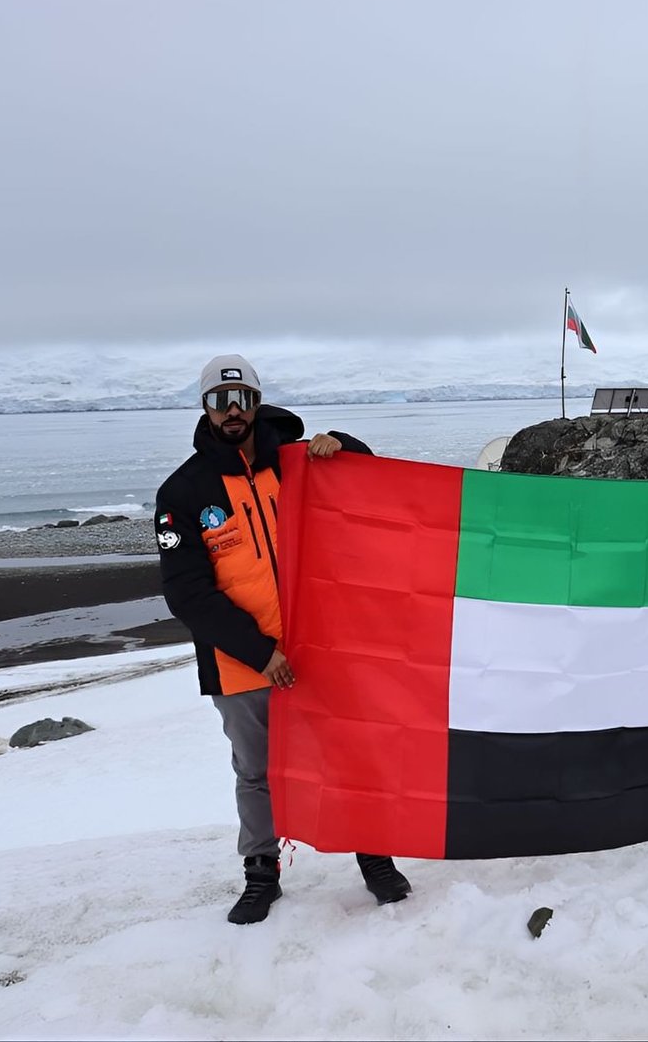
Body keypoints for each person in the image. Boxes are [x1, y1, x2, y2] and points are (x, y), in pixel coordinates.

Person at [154, 354, 412, 924]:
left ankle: (374, 859)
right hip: (242, 661)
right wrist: (259, 652)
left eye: (241, 399)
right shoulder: (184, 491)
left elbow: (372, 487)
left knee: (347, 757)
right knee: (257, 770)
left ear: (256, 401)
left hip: (321, 648)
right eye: (220, 403)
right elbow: (187, 593)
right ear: (205, 408)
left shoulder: (297, 464)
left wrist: (344, 444)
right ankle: (260, 874)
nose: (232, 412)